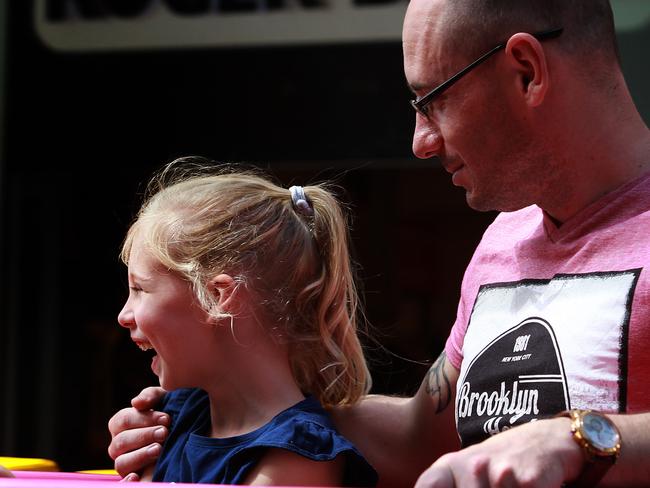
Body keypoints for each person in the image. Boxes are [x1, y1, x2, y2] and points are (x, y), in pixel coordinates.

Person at [108, 0, 650, 486]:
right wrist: (217, 421)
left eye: (430, 100)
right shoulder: (504, 239)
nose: (420, 142)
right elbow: (422, 436)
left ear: (526, 71)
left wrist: (583, 439)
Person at [112, 158, 377, 486]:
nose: (124, 316)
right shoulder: (175, 416)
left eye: (140, 289)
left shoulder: (296, 456)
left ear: (218, 296)